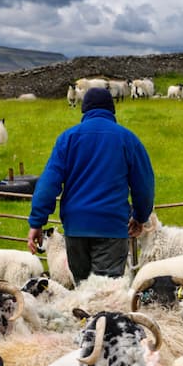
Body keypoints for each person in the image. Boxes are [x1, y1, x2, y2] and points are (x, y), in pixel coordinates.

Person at [27, 86, 154, 281]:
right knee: (106, 294)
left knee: (83, 290)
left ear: (84, 109)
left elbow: (48, 184)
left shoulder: (68, 139)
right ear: (112, 109)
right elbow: (144, 185)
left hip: (76, 228)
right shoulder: (127, 139)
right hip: (111, 228)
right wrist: (140, 217)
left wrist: (37, 222)